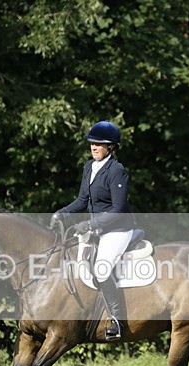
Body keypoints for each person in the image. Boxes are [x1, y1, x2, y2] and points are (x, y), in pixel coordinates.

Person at [51, 121, 135, 339]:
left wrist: (90, 225)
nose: (94, 147)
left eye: (99, 144)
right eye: (92, 143)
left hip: (117, 230)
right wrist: (63, 212)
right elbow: (82, 200)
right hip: (98, 230)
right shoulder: (89, 166)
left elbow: (118, 209)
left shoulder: (117, 171)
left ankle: (117, 321)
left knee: (101, 269)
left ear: (111, 147)